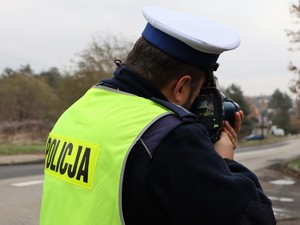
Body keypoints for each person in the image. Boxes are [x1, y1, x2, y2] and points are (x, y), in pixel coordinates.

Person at [40, 6, 276, 225]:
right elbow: (255, 218)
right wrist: (225, 161)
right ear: (182, 87)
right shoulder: (169, 136)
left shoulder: (78, 109)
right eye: (199, 91)